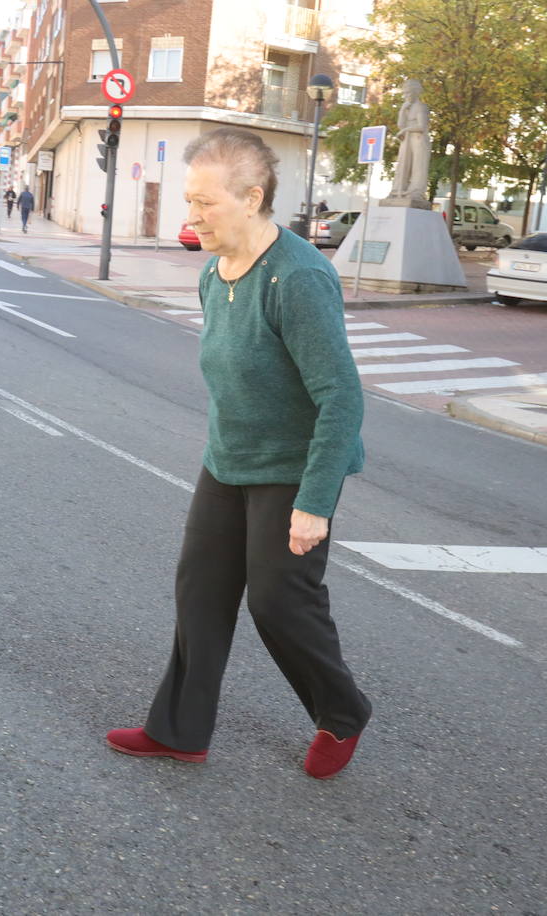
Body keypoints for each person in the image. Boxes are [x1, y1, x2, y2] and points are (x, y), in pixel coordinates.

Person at [105, 127, 370, 780]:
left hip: (294, 468)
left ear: (252, 198)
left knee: (278, 603)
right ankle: (179, 730)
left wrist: (314, 504)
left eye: (204, 202)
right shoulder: (212, 273)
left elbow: (342, 398)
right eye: (188, 200)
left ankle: (342, 711)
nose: (190, 215)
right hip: (228, 461)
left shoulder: (299, 279)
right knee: (200, 592)